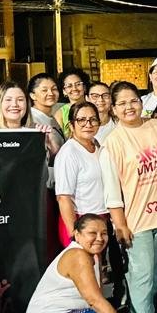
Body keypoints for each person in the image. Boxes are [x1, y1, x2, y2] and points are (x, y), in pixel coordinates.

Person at [100, 81, 157, 313]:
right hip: (136, 221)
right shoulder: (113, 142)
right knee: (141, 276)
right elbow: (112, 192)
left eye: (133, 100)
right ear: (113, 108)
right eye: (122, 103)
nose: (129, 107)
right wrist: (120, 225)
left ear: (141, 102)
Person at [55, 101, 107, 250]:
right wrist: (74, 233)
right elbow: (63, 197)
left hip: (100, 219)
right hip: (80, 222)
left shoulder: (97, 145)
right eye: (81, 120)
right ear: (71, 125)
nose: (88, 124)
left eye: (93, 119)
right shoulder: (69, 152)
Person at [28, 73, 66, 156]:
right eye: (44, 90)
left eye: (54, 89)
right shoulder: (31, 120)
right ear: (33, 95)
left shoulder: (51, 117)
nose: (51, 93)